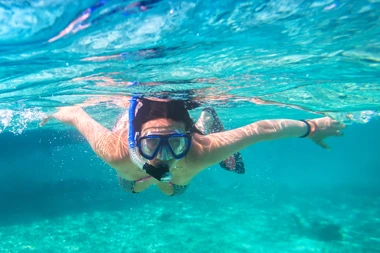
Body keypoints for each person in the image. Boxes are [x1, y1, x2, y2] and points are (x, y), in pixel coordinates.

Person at [41, 97, 345, 196]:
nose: (162, 155)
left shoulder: (202, 150)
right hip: (136, 171)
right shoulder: (116, 150)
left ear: (190, 136)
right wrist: (52, 112)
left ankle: (205, 118)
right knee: (130, 185)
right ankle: (152, 180)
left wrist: (312, 128)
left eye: (174, 142)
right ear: (136, 141)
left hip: (182, 169)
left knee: (176, 190)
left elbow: (262, 129)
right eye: (151, 143)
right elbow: (75, 113)